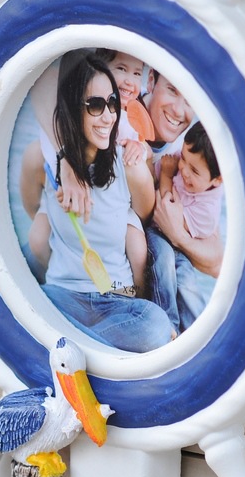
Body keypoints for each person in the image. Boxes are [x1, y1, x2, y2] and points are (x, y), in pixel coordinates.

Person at [20, 51, 174, 353]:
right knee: (30, 298)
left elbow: (142, 218)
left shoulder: (128, 166)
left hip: (116, 297)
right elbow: (31, 211)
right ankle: (93, 349)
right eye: (95, 105)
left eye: (113, 103)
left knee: (155, 325)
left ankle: (69, 345)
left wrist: (127, 293)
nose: (108, 116)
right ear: (72, 108)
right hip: (63, 295)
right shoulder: (46, 161)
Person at [147, 121, 224, 333]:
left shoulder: (208, 211)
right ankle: (169, 326)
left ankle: (201, 332)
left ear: (217, 180)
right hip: (156, 235)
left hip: (174, 240)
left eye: (194, 171)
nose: (184, 171)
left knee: (185, 280)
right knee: (164, 260)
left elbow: (169, 212)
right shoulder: (186, 162)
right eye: (183, 158)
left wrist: (166, 176)